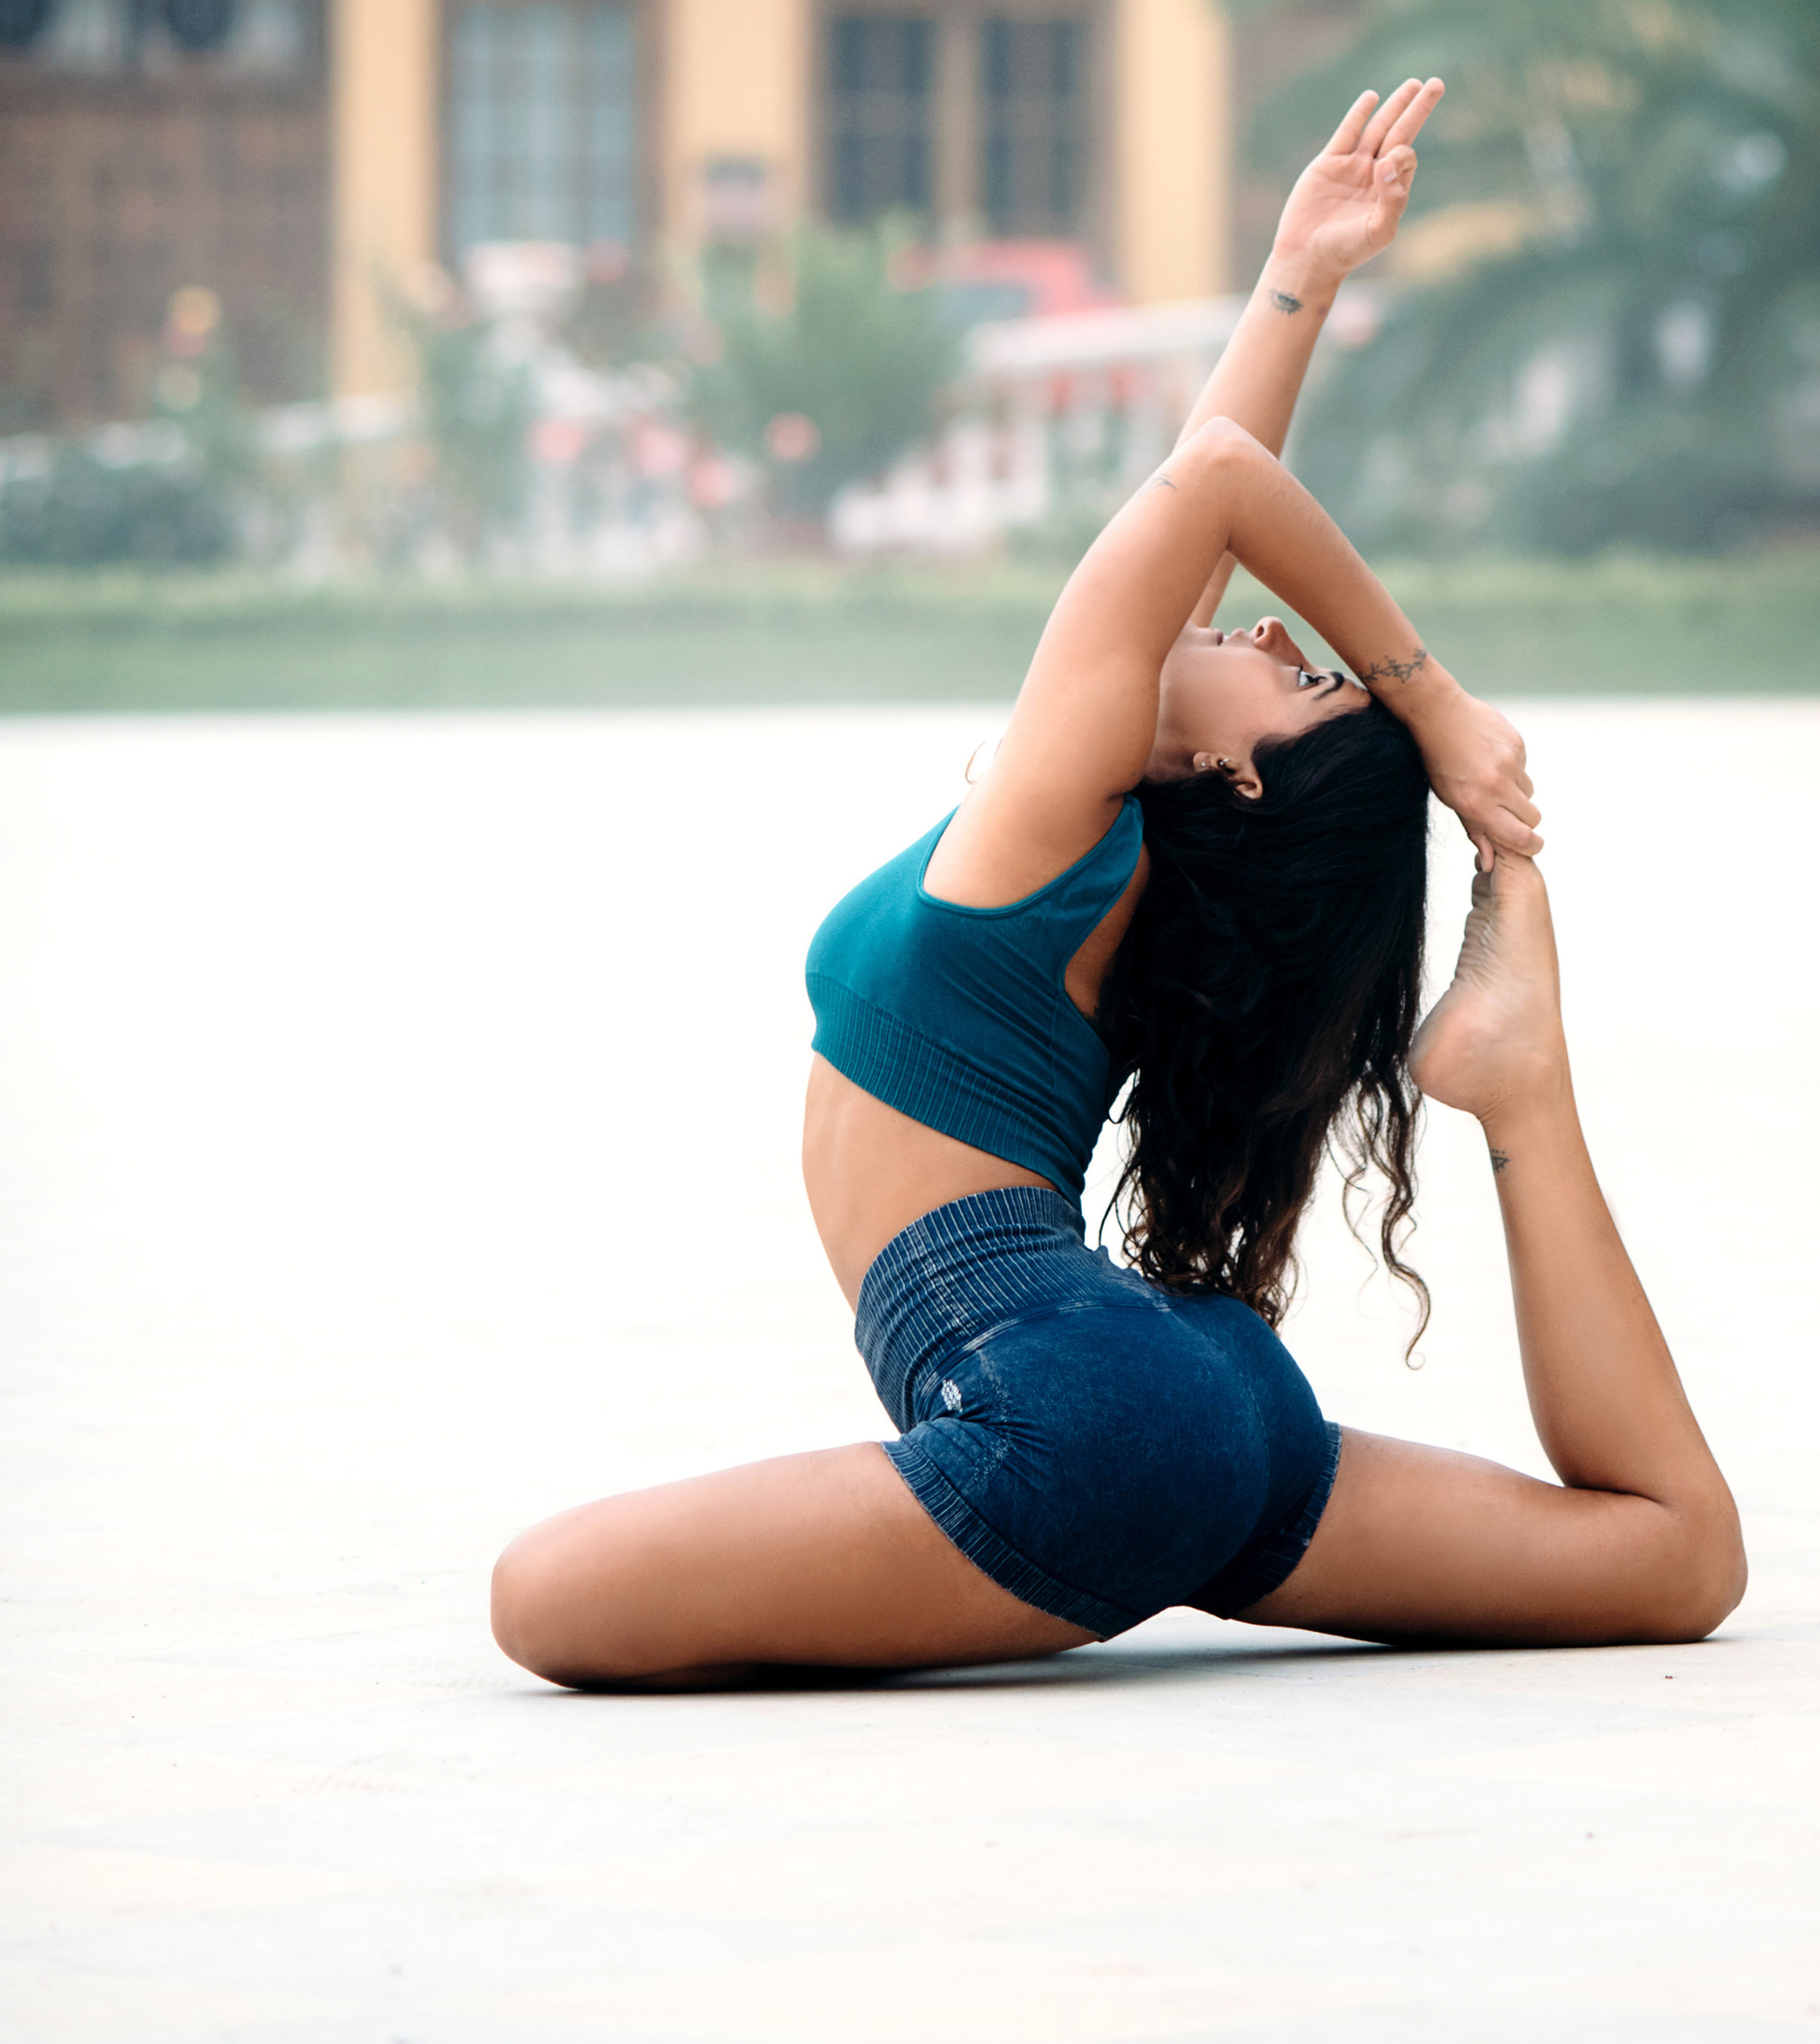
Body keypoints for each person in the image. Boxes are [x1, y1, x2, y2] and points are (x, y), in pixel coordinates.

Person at [491, 84, 1744, 1683]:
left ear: (1232, 778)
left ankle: (1519, 1080)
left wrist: (1423, 698)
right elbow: (1204, 515)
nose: (1274, 630)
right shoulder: (1117, 863)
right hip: (1185, 1395)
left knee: (540, 1598)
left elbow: (1211, 483)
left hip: (1073, 1410)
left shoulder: (1059, 832)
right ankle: (1527, 1096)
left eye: (1302, 680)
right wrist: (1299, 277)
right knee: (1671, 1554)